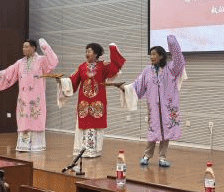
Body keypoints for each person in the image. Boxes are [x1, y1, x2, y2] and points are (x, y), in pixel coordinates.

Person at [0, 38, 58, 152]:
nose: (24, 49)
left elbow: (53, 62)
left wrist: (46, 48)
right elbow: (7, 73)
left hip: (36, 97)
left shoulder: (41, 60)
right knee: (24, 119)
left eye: (27, 46)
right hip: (24, 97)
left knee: (36, 118)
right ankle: (24, 145)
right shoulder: (20, 63)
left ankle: (36, 146)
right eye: (23, 47)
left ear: (33, 48)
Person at [124, 35, 185, 168]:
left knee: (166, 133)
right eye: (150, 54)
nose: (151, 57)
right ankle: (146, 156)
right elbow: (138, 85)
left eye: (154, 54)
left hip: (168, 107)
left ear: (161, 56)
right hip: (153, 107)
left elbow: (179, 60)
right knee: (153, 131)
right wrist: (126, 88)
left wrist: (172, 43)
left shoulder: (170, 69)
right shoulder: (147, 71)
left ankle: (162, 158)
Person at [62, 42, 125, 158]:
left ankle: (94, 151)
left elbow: (115, 67)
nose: (87, 53)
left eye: (89, 51)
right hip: (84, 102)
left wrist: (112, 49)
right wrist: (62, 82)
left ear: (96, 54)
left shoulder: (103, 66)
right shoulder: (81, 67)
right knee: (83, 125)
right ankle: (81, 151)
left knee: (95, 125)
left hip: (98, 101)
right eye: (86, 51)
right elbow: (72, 81)